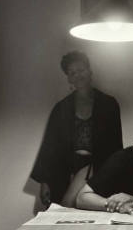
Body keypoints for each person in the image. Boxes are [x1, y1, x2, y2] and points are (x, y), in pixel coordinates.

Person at [30, 50, 123, 206]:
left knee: (92, 215)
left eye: (81, 70)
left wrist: (116, 177)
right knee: (65, 215)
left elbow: (115, 144)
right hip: (65, 170)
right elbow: (50, 146)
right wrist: (44, 182)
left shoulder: (109, 104)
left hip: (98, 167)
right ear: (68, 78)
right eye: (72, 73)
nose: (78, 76)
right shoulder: (61, 108)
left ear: (90, 71)